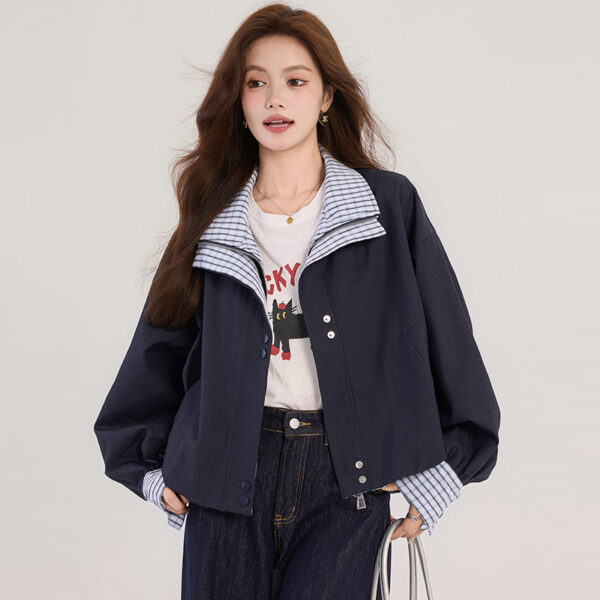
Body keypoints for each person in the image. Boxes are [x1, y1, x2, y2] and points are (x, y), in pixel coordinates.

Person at [93, 3, 501, 599]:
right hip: (228, 480)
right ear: (238, 101)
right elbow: (155, 356)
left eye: (295, 81)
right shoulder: (213, 220)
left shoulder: (385, 208)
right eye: (256, 83)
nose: (275, 99)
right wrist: (152, 474)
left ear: (327, 96)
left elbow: (452, 350)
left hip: (348, 484)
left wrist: (436, 480)